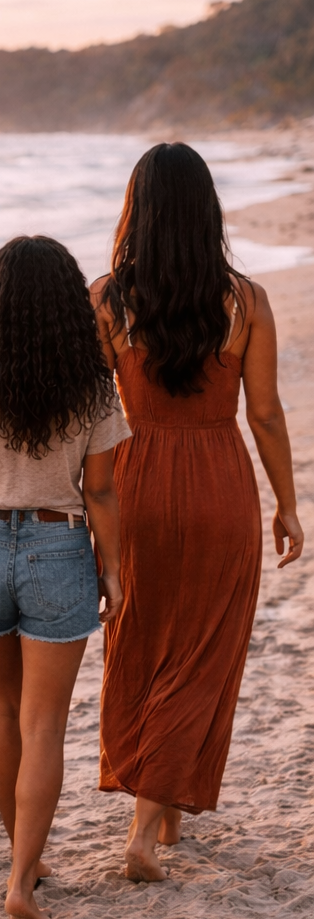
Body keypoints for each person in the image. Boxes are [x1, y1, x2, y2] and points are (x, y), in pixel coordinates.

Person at [94, 143, 303, 880]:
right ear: (207, 211)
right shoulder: (245, 301)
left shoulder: (108, 300)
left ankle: (165, 810)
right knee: (203, 652)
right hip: (219, 481)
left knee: (143, 641)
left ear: (136, 212)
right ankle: (146, 832)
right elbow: (268, 415)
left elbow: (88, 417)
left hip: (134, 483)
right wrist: (287, 503)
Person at [0, 236, 128, 919]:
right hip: (57, 544)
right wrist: (113, 569)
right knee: (44, 726)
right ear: (70, 308)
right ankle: (20, 877)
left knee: (2, 714)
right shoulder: (94, 387)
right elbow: (99, 493)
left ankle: (25, 858)